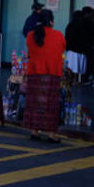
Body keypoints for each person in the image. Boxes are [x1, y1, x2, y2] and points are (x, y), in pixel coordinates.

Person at [22, 9, 67, 143]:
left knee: (34, 104)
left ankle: (34, 132)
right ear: (51, 21)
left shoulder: (31, 35)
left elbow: (30, 51)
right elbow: (62, 50)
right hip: (52, 74)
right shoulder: (58, 35)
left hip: (35, 73)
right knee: (51, 105)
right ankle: (51, 134)